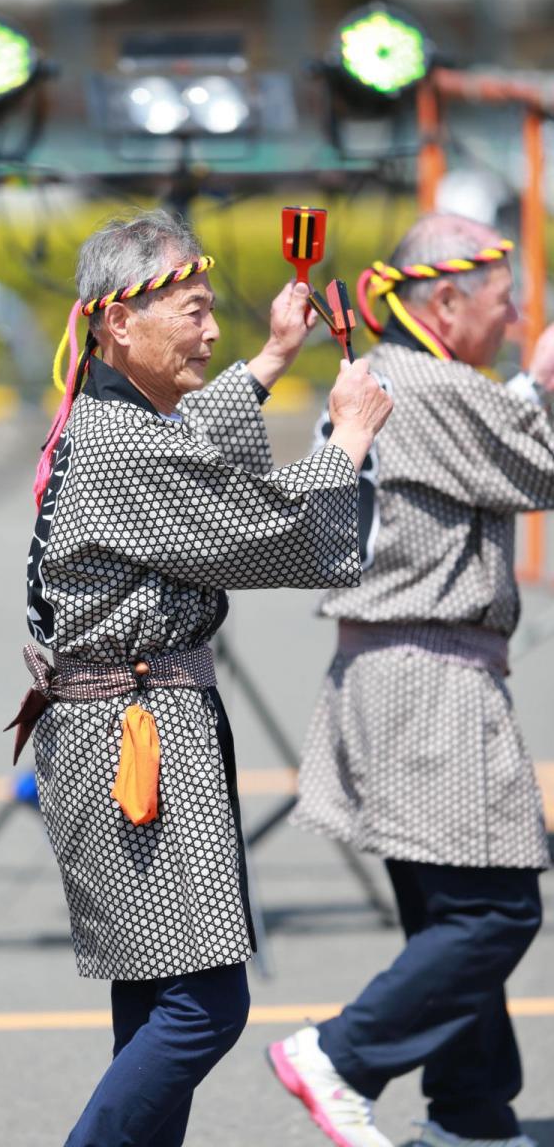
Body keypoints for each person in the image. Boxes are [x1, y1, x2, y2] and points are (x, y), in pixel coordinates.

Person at [13, 208, 392, 1147]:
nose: (210, 329)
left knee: (154, 999)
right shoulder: (122, 445)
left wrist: (271, 360)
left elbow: (188, 444)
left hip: (124, 725)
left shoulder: (113, 418)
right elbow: (267, 532)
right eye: (189, 311)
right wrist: (343, 439)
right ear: (116, 324)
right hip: (133, 736)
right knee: (202, 1005)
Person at [268, 213, 554, 1147]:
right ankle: (343, 1055)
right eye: (504, 303)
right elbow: (540, 470)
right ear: (444, 300)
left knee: (448, 905)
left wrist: (525, 387)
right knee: (494, 910)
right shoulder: (433, 384)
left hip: (388, 666)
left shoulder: (403, 378)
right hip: (430, 672)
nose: (513, 321)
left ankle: (470, 1115)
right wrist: (545, 387)